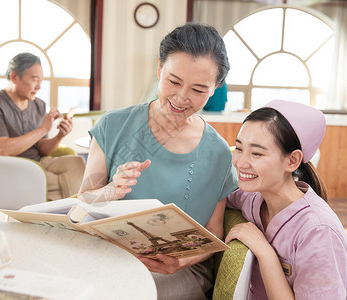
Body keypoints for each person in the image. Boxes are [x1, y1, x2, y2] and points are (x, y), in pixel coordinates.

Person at [78, 23, 238, 299]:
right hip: (110, 256)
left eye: (199, 89)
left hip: (176, 270)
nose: (181, 97)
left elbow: (213, 233)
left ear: (216, 88)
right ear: (159, 68)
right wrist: (111, 191)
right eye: (173, 81)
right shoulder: (113, 125)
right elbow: (83, 202)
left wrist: (181, 262)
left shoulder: (219, 153)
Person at [224, 100, 347, 299]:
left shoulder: (319, 232)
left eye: (256, 153)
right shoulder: (252, 198)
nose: (241, 162)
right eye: (238, 148)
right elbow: (220, 197)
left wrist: (265, 252)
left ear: (292, 160)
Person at [0, 52, 85, 200]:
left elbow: (42, 149)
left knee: (77, 164)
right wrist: (43, 129)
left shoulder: (38, 105)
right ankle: (72, 213)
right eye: (34, 79)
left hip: (37, 162)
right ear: (14, 77)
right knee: (71, 183)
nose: (39, 86)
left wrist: (60, 135)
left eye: (41, 80)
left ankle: (67, 209)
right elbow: (3, 149)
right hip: (12, 168)